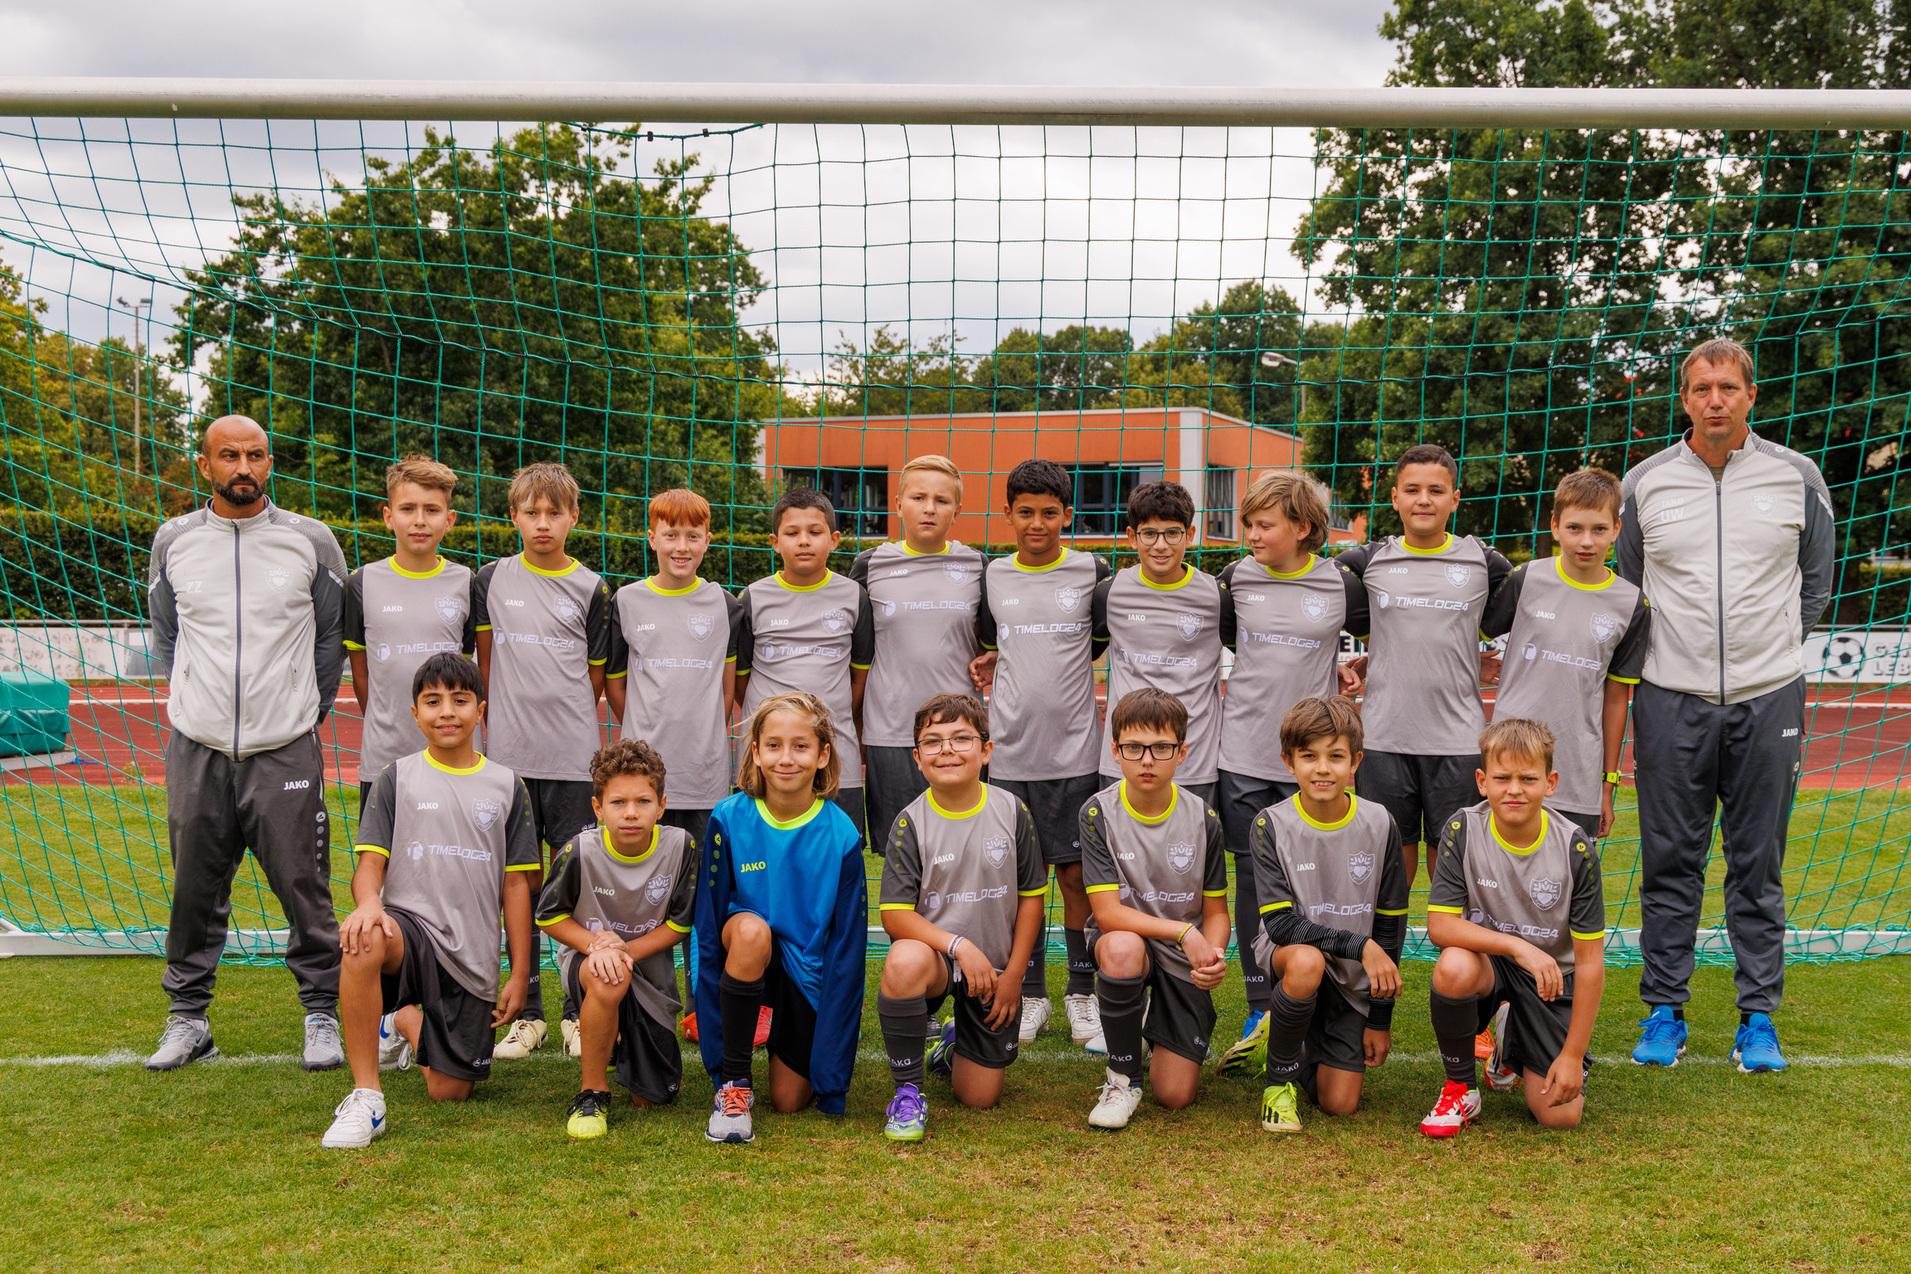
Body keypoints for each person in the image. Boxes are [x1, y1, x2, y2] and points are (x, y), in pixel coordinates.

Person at [1616, 337, 1835, 1073]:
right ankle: (1663, 1013)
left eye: (1728, 388)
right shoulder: (1644, 483)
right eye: (1701, 387)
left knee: (1757, 863)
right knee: (1669, 860)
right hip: (1669, 697)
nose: (1715, 399)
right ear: (1683, 399)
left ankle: (1757, 1020)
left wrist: (1769, 651)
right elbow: (1631, 583)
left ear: (1750, 397)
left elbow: (1814, 581)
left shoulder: (1794, 475)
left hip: (1767, 692)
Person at [145, 414, 348, 1073]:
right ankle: (188, 1020)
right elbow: (169, 638)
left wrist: (299, 711)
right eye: (228, 455)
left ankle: (321, 1015)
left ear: (269, 462)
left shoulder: (310, 541)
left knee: (302, 885)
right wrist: (197, 704)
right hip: (196, 744)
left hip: (284, 743)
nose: (243, 467)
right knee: (193, 890)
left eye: (255, 455)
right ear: (203, 465)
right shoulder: (173, 541)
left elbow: (328, 642)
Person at [320, 653, 540, 1148]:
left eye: (460, 701)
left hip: (472, 954)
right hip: (410, 931)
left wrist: (520, 974)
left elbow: (516, 887)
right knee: (363, 936)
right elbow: (370, 865)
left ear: (480, 711)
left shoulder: (508, 786)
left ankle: (402, 1018)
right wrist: (369, 904)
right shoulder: (395, 777)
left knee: (450, 1091)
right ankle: (366, 1098)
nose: (447, 712)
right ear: (414, 713)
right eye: (433, 701)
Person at [1215, 470, 1367, 1041]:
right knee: (1253, 877)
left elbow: (1387, 632)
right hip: (1245, 752)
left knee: (1320, 873)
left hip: (1316, 761)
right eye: (1248, 523)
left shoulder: (1342, 584)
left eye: (1263, 524)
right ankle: (1261, 999)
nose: (1251, 534)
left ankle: (1322, 988)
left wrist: (1356, 667)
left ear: (1303, 528)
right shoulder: (1235, 579)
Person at [972, 458, 1111, 1051]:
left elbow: (1102, 640)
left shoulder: (1092, 571)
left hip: (1075, 753)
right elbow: (987, 642)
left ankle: (1082, 994)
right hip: (1007, 754)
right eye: (1025, 512)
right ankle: (1029, 993)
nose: (1037, 523)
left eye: (1049, 513)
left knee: (1077, 876)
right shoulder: (993, 576)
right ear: (1007, 515)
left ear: (1067, 516)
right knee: (1013, 880)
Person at [474, 461, 612, 1059]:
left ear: (574, 518)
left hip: (572, 758)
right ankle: (525, 1013)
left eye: (554, 512)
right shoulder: (490, 579)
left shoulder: (593, 588)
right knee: (519, 886)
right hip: (508, 762)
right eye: (531, 512)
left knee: (577, 885)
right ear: (513, 518)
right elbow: (482, 664)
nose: (543, 523)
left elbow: (596, 680)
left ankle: (575, 1012)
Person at [694, 692, 868, 1144]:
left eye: (800, 746)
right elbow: (709, 930)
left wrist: (833, 1075)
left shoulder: (842, 833)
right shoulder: (729, 818)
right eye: (773, 745)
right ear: (755, 751)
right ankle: (734, 1086)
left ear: (823, 755)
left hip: (804, 971)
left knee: (790, 1101)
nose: (786, 758)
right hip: (747, 950)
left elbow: (848, 949)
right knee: (751, 930)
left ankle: (775, 1030)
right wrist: (708, 1023)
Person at [1421, 719, 1606, 1137]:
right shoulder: (1464, 828)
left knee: (1560, 1117)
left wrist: (1572, 1056)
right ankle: (1459, 1087)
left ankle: (1512, 1036)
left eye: (1528, 778)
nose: (1515, 789)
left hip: (1551, 978)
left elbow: (1591, 962)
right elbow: (1440, 926)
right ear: (1483, 781)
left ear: (1551, 782)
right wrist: (1517, 947)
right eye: (1502, 778)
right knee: (1454, 966)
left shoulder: (1575, 847)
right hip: (1494, 964)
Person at [1338, 444, 1512, 888]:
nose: (1423, 500)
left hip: (1456, 740)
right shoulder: (1365, 562)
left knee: (1453, 865)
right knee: (1389, 867)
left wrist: (1472, 660)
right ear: (1394, 497)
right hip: (1384, 738)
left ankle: (1455, 956)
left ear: (1455, 499)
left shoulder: (1485, 564)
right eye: (1412, 489)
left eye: (1436, 490)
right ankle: (1383, 955)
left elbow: (1502, 624)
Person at [875, 693, 1045, 1142]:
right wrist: (957, 945)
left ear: (986, 750)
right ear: (917, 758)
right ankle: (908, 1093)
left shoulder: (1012, 811)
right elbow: (894, 915)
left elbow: (1031, 900)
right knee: (903, 959)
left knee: (979, 1097)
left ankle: (954, 1045)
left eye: (961, 738)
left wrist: (1016, 977)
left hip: (995, 972)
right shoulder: (911, 823)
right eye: (933, 741)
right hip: (939, 962)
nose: (947, 749)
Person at [1242, 696, 1406, 1134]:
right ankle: (1278, 1086)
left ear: (1356, 761)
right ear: (1288, 762)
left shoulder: (1380, 823)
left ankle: (1282, 1037)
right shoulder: (1270, 825)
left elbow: (1390, 922)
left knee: (1340, 1104)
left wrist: (1379, 1019)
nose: (1322, 769)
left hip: (1352, 977)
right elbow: (1279, 925)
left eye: (1335, 757)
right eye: (1309, 756)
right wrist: (1360, 944)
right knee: (1306, 960)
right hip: (1293, 959)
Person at [603, 486, 739, 1014]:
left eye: (693, 535)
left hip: (704, 776)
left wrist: (701, 732)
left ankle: (703, 1006)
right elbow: (616, 684)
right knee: (643, 894)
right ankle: (645, 997)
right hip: (643, 783)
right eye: (670, 534)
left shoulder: (727, 605)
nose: (681, 546)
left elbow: (729, 690)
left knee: (704, 895)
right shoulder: (627, 601)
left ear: (708, 539)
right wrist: (642, 736)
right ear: (651, 536)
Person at [1078, 688, 1229, 1130]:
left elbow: (1216, 911)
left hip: (1183, 957)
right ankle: (1122, 1078)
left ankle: (1143, 1020)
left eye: (1161, 748)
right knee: (1122, 948)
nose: (1147, 760)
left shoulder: (1205, 819)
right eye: (1134, 748)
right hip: (1132, 943)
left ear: (1182, 752)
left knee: (1176, 1095)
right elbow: (1107, 914)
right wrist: (1183, 932)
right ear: (1115, 752)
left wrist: (1214, 957)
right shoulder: (1096, 813)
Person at [536, 740, 697, 1139]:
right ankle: (592, 1091)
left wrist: (623, 949)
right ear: (597, 808)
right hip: (590, 962)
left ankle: (616, 1041)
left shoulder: (681, 847)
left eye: (643, 802)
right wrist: (596, 946)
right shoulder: (579, 851)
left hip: (647, 966)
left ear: (661, 805)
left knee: (655, 1096)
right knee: (608, 975)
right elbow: (549, 916)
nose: (630, 813)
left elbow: (680, 924)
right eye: (618, 802)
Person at [1481, 468, 1651, 841]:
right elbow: (1466, 635)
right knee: (1499, 882)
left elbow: (1617, 697)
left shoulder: (1632, 604)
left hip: (1578, 773)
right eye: (1574, 528)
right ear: (1555, 526)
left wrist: (1608, 781)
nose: (1586, 541)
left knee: (1567, 890)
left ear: (1616, 530)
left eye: (1599, 529)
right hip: (1509, 767)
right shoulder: (1526, 579)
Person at [850, 455, 986, 847]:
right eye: (918, 497)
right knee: (900, 854)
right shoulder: (869, 565)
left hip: (957, 735)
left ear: (957, 509)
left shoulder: (977, 566)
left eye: (942, 500)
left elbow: (993, 640)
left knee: (961, 851)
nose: (929, 509)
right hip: (891, 733)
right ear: (898, 503)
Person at [733, 488, 876, 841]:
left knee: (837, 860)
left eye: (815, 532)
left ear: (834, 539)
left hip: (833, 750)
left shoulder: (853, 597)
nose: (804, 541)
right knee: (758, 858)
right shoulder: (753, 598)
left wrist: (828, 717)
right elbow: (740, 680)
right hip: (768, 756)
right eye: (792, 533)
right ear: (774, 542)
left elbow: (859, 677)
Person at [343, 454, 475, 810]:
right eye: (407, 509)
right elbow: (361, 673)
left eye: (431, 510)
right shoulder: (361, 583)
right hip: (384, 759)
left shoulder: (466, 582)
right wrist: (387, 722)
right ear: (389, 517)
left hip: (451, 756)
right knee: (383, 861)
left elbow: (467, 670)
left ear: (449, 520)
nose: (419, 521)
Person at [1091, 481, 1224, 808]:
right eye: (1149, 534)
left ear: (1190, 535)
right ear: (1131, 536)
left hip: (1193, 760)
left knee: (1195, 855)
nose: (1161, 545)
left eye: (1172, 533)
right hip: (1126, 759)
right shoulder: (1109, 593)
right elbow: (1085, 652)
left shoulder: (1216, 595)